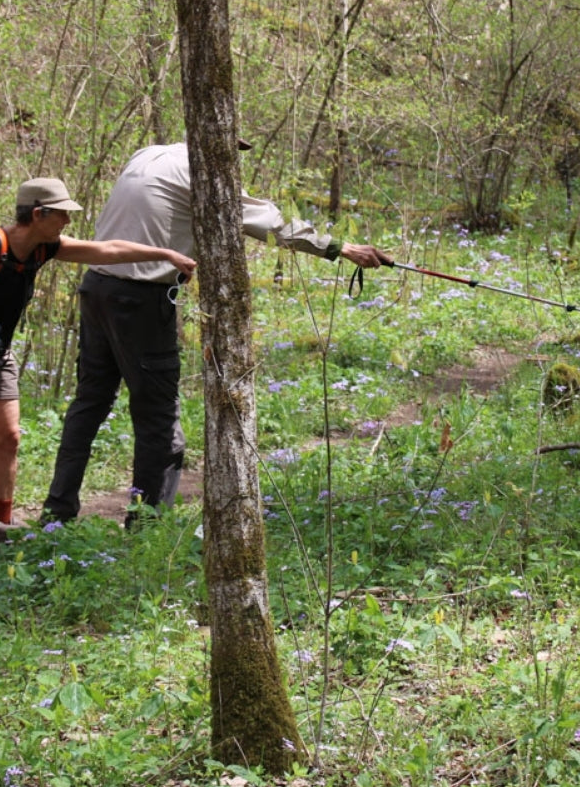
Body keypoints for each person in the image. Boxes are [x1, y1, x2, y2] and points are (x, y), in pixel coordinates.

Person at [41, 141, 394, 528]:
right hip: (139, 300)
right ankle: (146, 527)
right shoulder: (202, 170)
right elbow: (266, 223)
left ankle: (56, 514)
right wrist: (341, 248)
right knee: (158, 418)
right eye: (233, 149)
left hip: (97, 288)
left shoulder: (150, 154)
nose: (235, 159)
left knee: (89, 404)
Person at [0, 176, 197, 570]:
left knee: (10, 437)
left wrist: (166, 254)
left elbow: (108, 250)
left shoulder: (42, 248)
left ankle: (0, 530)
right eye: (61, 215)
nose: (66, 223)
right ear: (38, 213)